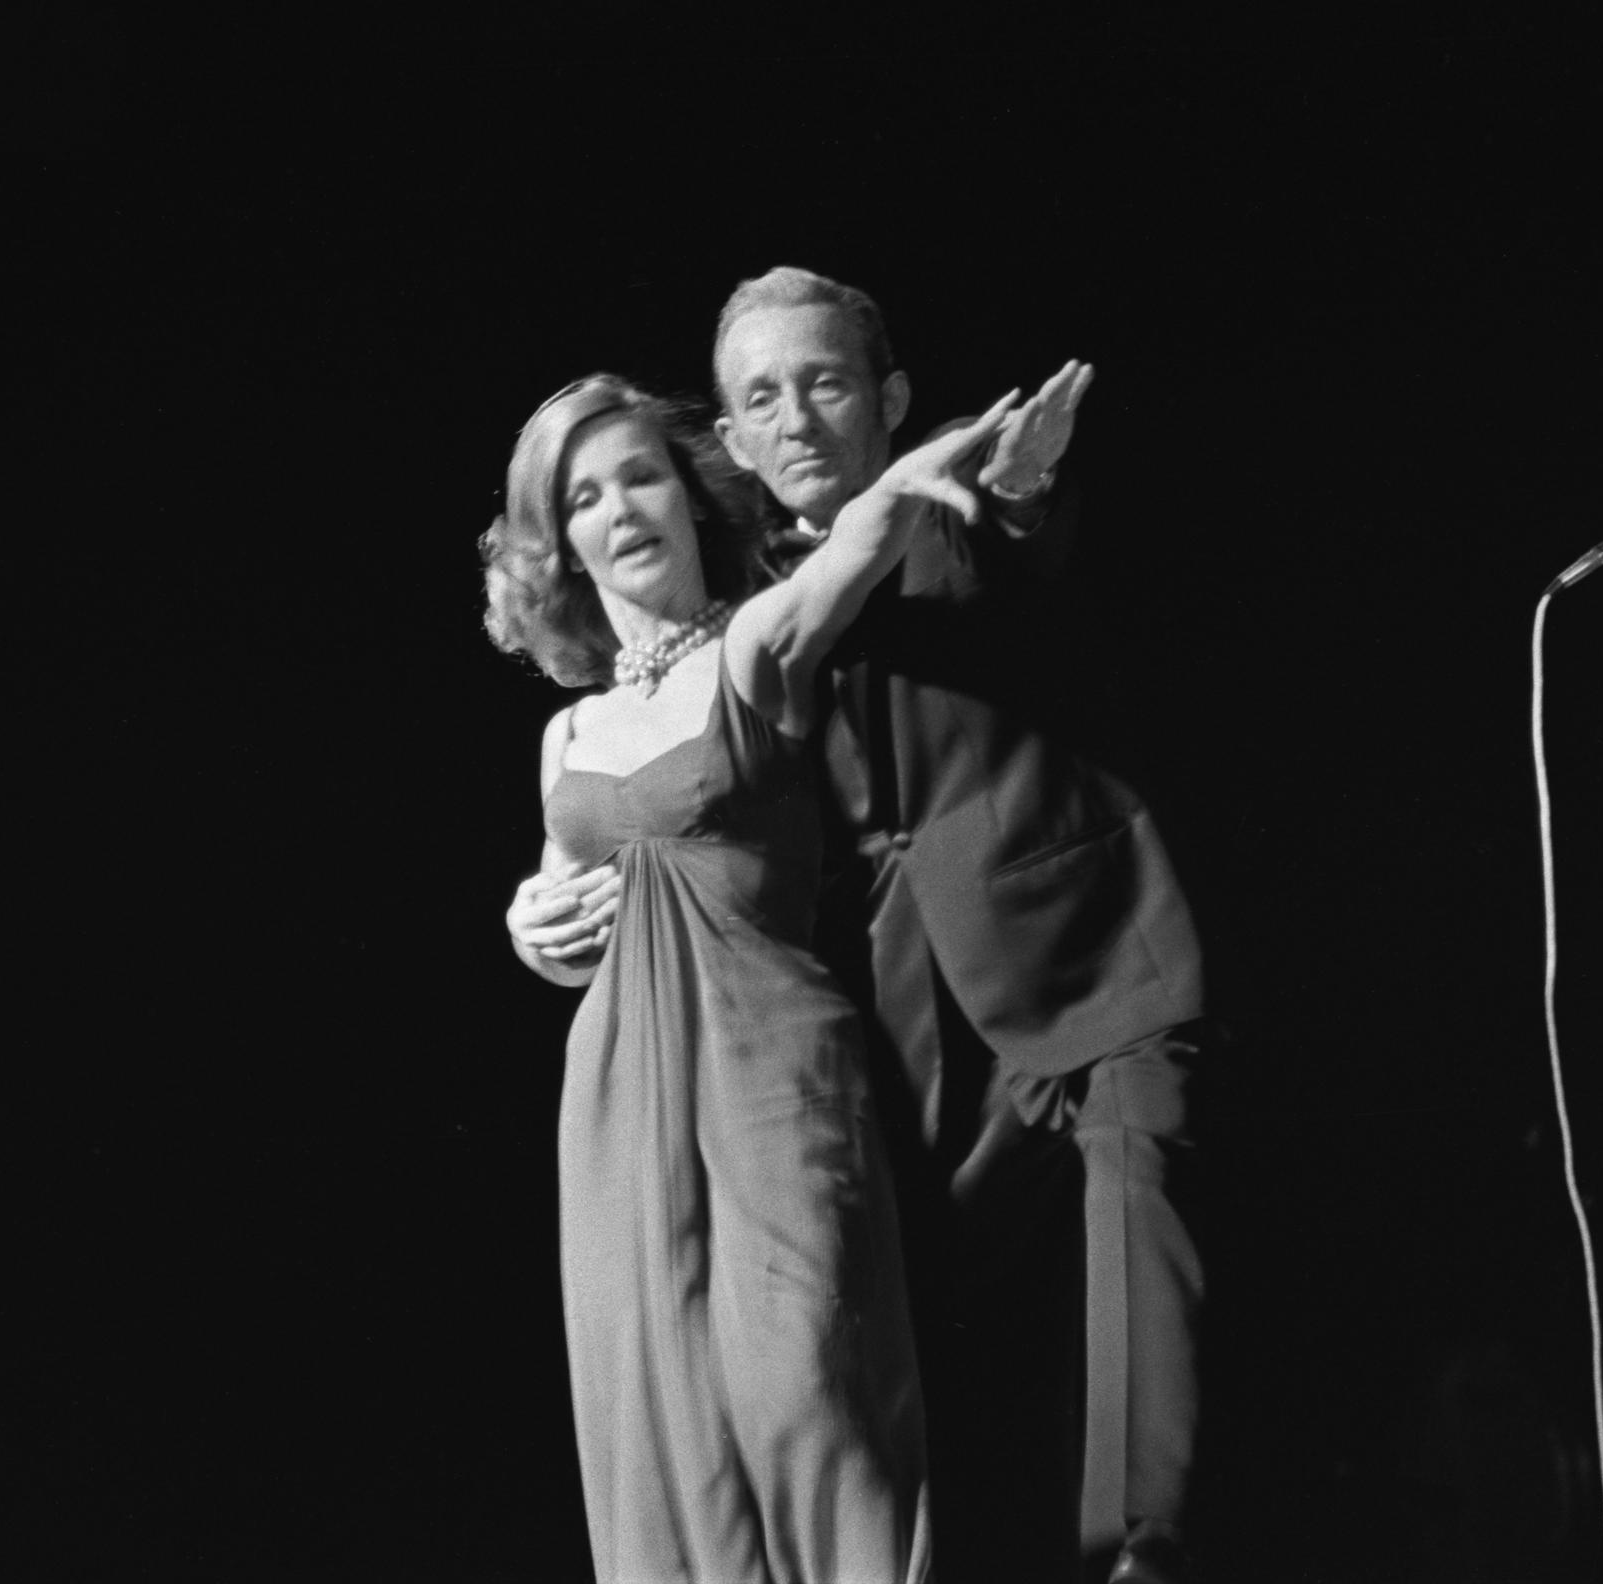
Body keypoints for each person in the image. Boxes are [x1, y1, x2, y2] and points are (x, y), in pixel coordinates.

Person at [710, 266, 1214, 1584]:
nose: (799, 418)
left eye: (824, 382)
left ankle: (1143, 1558)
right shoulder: (740, 610)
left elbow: (1017, 537)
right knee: (958, 1387)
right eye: (763, 397)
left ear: (890, 397)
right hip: (895, 1045)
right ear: (731, 439)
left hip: (1089, 964)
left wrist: (1023, 485)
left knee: (1139, 1217)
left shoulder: (949, 510)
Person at [482, 371, 1019, 1584]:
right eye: (583, 496)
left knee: (807, 1391)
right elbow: (570, 909)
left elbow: (844, 565)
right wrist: (531, 926)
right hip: (620, 1103)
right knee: (667, 1426)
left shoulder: (752, 646)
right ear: (559, 543)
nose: (620, 508)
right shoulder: (568, 736)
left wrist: (915, 479)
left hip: (774, 1065)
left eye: (641, 476)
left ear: (687, 496)